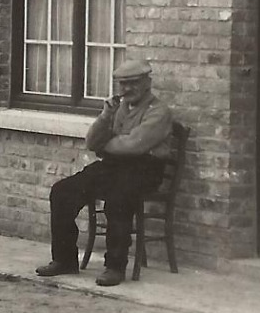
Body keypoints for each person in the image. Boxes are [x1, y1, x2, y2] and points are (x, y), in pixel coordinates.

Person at [35, 57, 174, 287]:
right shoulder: (118, 108)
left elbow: (133, 146)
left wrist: (105, 145)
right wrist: (105, 116)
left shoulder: (158, 111)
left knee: (118, 198)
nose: (127, 89)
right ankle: (64, 259)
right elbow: (92, 141)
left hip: (145, 169)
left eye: (133, 83)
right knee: (62, 191)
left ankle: (115, 267)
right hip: (113, 166)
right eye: (123, 84)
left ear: (147, 82)